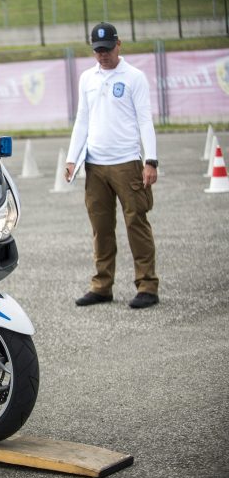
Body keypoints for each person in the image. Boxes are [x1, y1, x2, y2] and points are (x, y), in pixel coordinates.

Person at [64, 22, 159, 309]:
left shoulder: (134, 77)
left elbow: (145, 120)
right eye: (97, 51)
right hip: (95, 166)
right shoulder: (87, 78)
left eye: (106, 49)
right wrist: (72, 158)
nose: (102, 55)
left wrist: (151, 160)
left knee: (136, 223)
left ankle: (147, 286)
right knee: (101, 228)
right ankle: (102, 286)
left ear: (119, 44)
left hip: (127, 163)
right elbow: (82, 119)